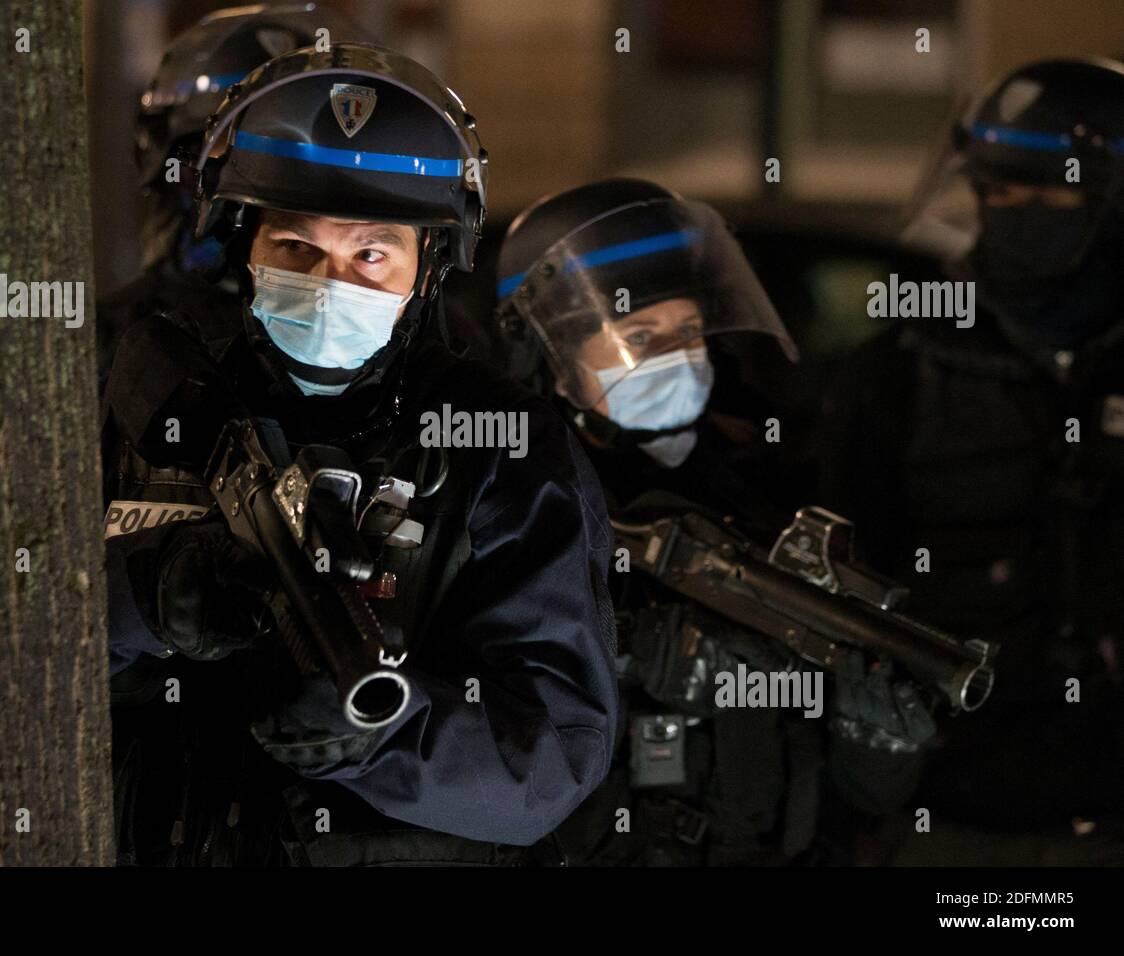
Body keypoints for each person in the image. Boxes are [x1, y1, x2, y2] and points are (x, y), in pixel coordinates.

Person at [103, 42, 619, 866]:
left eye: (371, 254)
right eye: (296, 248)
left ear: (426, 272)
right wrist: (145, 596)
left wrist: (379, 739)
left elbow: (554, 757)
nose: (332, 281)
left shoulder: (506, 449)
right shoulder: (155, 409)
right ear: (247, 249)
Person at [493, 179, 934, 865]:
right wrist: (638, 649)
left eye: (689, 330)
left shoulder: (772, 497)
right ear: (553, 360)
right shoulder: (512, 507)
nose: (675, 356)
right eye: (639, 335)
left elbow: (850, 798)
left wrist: (877, 742)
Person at [819, 57, 1124, 864]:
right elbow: (838, 587)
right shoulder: (902, 370)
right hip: (950, 823)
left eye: (1047, 195)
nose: (1011, 214)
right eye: (996, 192)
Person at [97, 3, 371, 379]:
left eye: (300, 154)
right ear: (179, 162)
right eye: (242, 150)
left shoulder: (405, 338)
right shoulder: (116, 339)